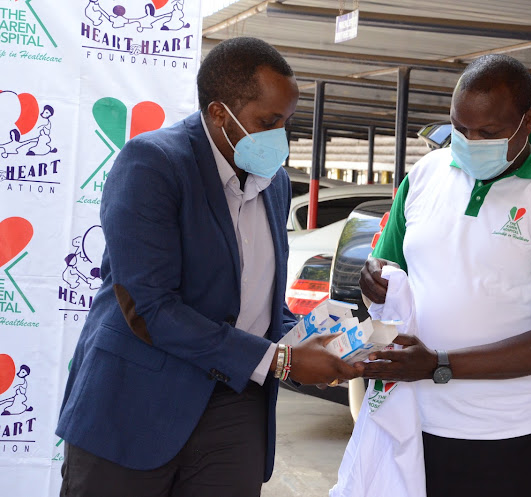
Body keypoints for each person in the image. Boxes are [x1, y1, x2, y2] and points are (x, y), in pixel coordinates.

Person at [57, 37, 362, 497]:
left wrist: (311, 340)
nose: (281, 135)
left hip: (235, 409)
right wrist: (282, 361)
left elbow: (256, 303)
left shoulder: (274, 182)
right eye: (269, 121)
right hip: (137, 405)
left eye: (288, 120)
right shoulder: (153, 164)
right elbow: (150, 307)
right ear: (220, 112)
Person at [360, 54, 531, 497]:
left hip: (506, 440)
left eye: (488, 132)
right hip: (409, 425)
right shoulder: (424, 176)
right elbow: (388, 271)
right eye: (460, 129)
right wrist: (374, 279)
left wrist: (438, 365)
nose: (471, 142)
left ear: (525, 120)